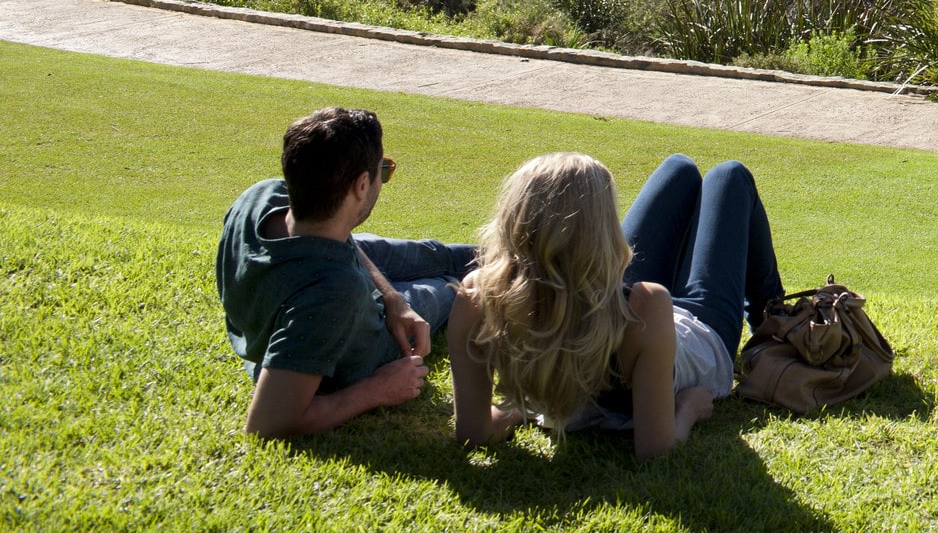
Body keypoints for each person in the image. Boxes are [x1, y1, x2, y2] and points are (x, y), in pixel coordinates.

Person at [450, 152, 784, 461]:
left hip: (608, 304)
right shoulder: (646, 304)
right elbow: (657, 449)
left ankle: (777, 317)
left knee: (679, 168)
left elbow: (474, 433)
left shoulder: (478, 297)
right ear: (599, 230)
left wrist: (517, 410)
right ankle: (778, 324)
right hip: (694, 339)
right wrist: (688, 409)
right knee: (730, 176)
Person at [215, 106, 477, 438]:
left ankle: (537, 252)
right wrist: (377, 390)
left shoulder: (261, 197)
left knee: (435, 253)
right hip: (373, 335)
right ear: (362, 185)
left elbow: (334, 240)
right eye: (384, 170)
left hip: (358, 268)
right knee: (452, 284)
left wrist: (393, 298)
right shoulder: (331, 294)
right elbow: (267, 423)